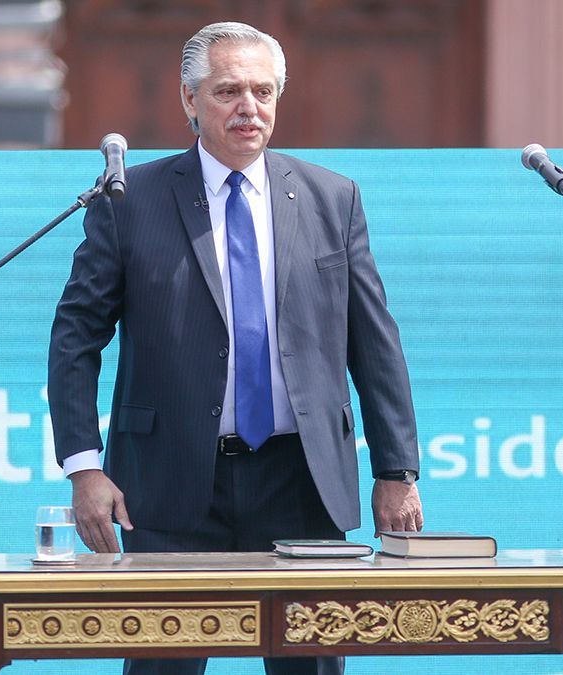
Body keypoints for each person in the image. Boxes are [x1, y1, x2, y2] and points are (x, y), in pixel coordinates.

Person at [47, 21, 423, 675]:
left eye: (262, 91)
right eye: (228, 91)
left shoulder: (333, 197)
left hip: (301, 480)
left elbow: (374, 340)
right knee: (165, 666)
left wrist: (397, 470)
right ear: (189, 100)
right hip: (169, 483)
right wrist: (84, 468)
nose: (249, 107)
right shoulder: (129, 202)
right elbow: (75, 338)